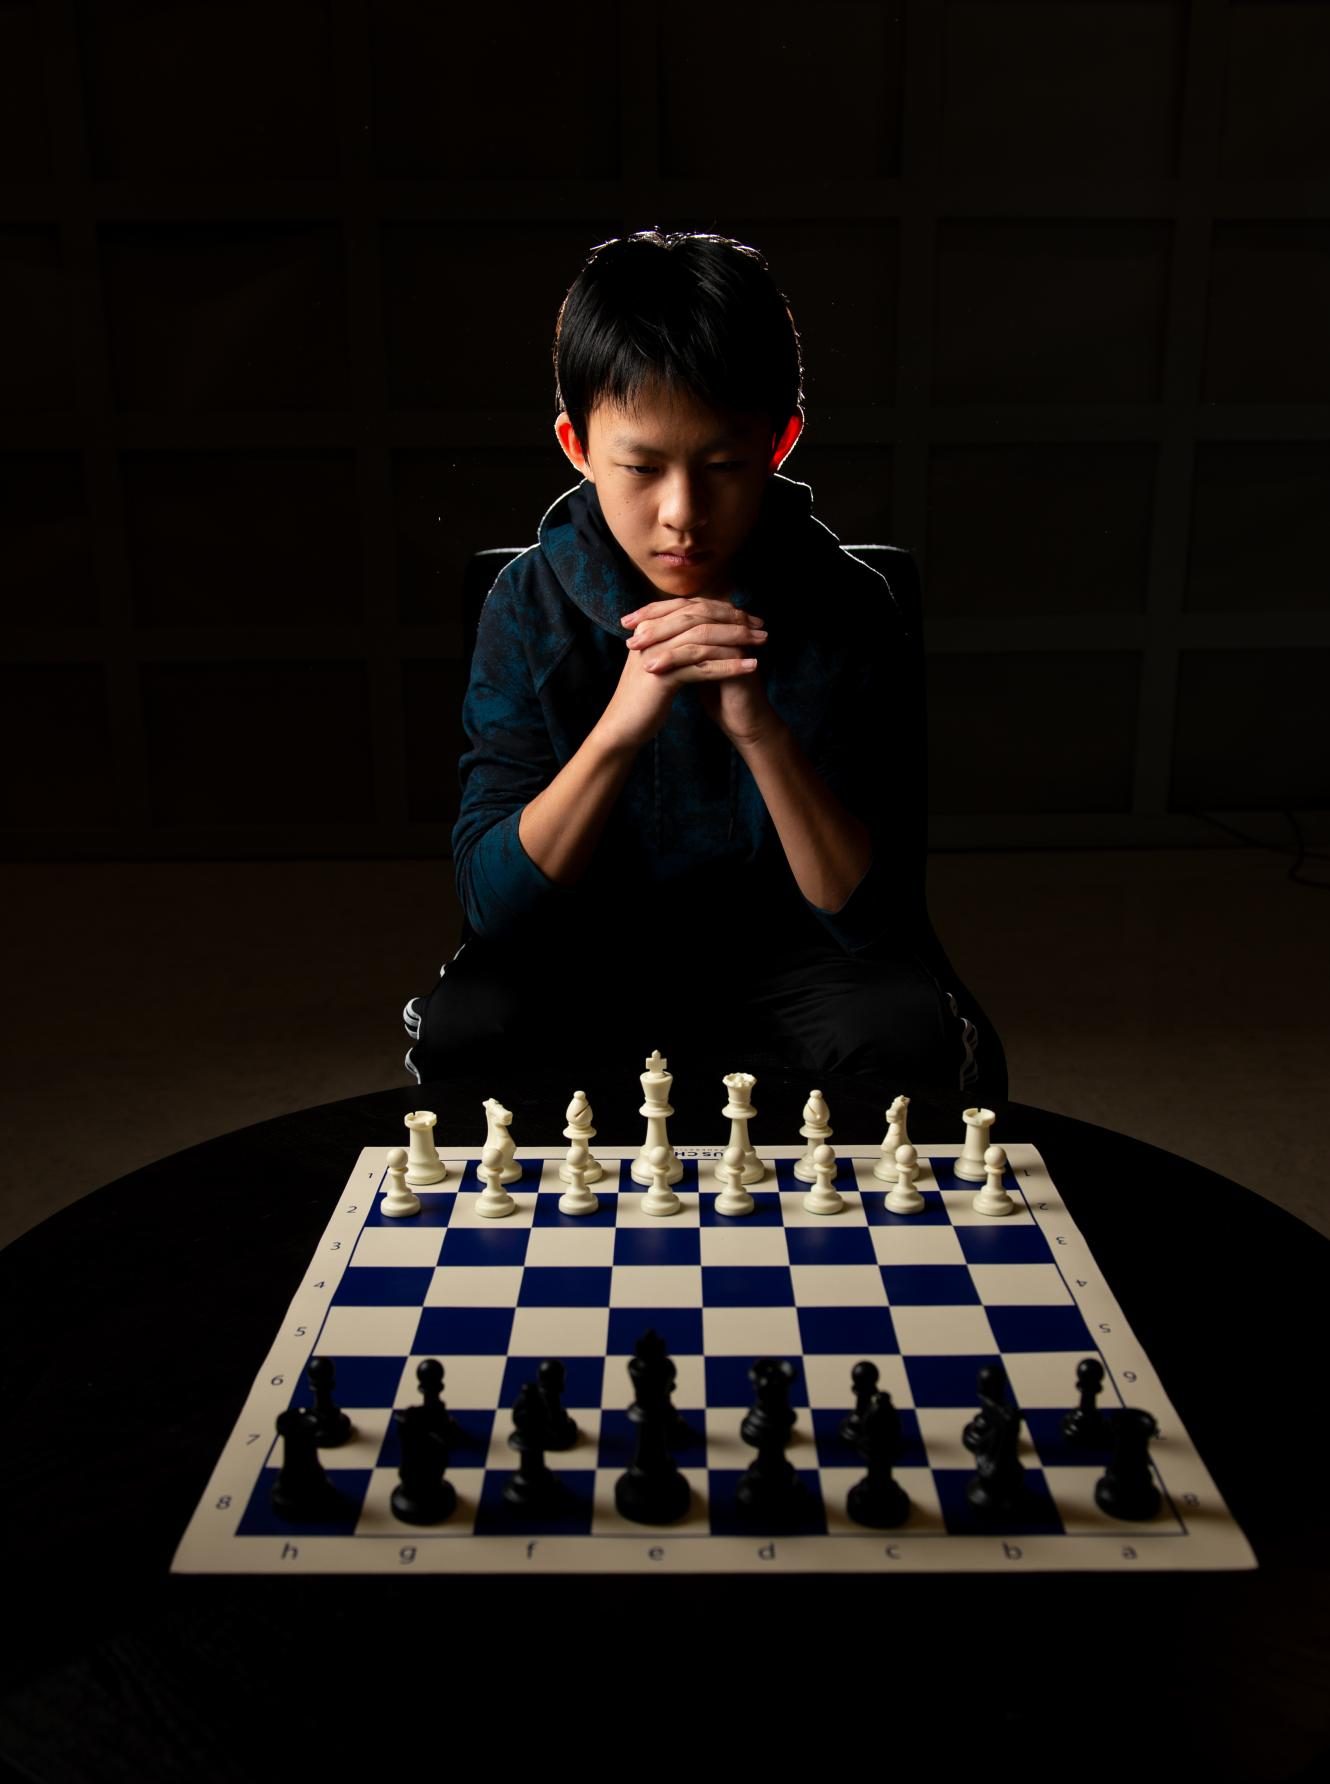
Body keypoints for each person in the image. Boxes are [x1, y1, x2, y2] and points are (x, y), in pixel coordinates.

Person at [403, 229, 1006, 1101]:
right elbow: (494, 909)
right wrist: (620, 729)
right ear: (576, 446)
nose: (681, 514)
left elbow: (872, 914)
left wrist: (758, 728)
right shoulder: (525, 604)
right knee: (468, 1035)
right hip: (581, 952)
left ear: (779, 441)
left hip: (796, 954)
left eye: (723, 465)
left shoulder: (851, 606)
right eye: (641, 468)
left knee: (904, 1036)